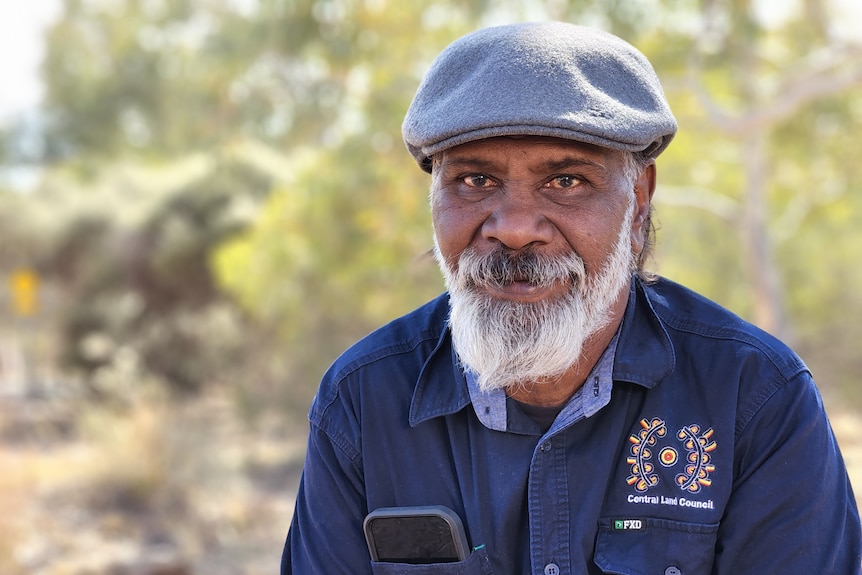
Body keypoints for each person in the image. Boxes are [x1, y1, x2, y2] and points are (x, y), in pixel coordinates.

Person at [281, 21, 862, 574]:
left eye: (566, 181)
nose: (513, 227)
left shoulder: (754, 396)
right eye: (475, 181)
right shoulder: (361, 400)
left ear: (638, 198)